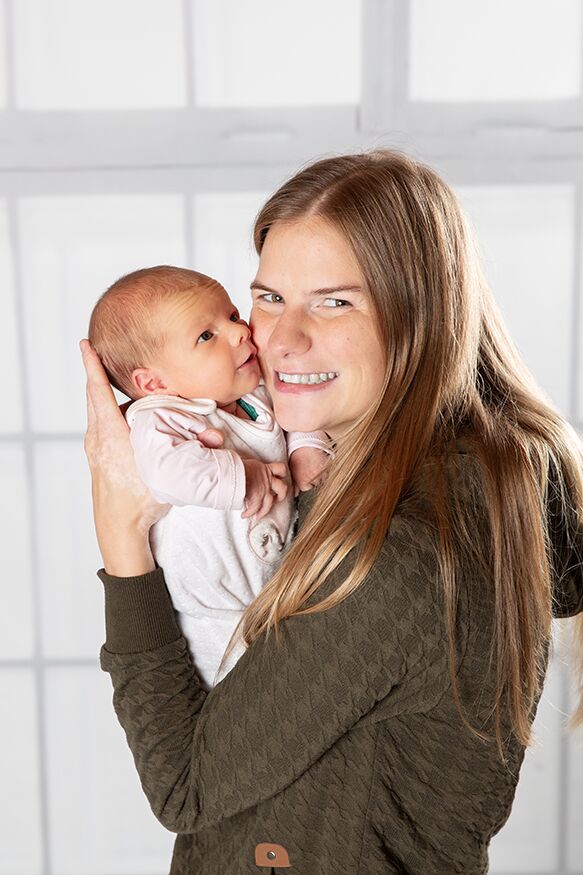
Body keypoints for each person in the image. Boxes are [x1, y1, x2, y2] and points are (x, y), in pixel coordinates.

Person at [81, 150, 583, 874]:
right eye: (267, 297)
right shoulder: (480, 471)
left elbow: (184, 786)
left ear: (421, 312)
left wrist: (122, 540)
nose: (276, 339)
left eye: (333, 300)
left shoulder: (392, 554)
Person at [87, 266, 332, 688]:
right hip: (211, 615)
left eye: (233, 316)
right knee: (238, 698)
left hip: (272, 592)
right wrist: (244, 478)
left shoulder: (253, 395)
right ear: (154, 382)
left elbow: (299, 417)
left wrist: (306, 447)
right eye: (206, 336)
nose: (239, 333)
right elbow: (167, 473)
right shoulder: (162, 416)